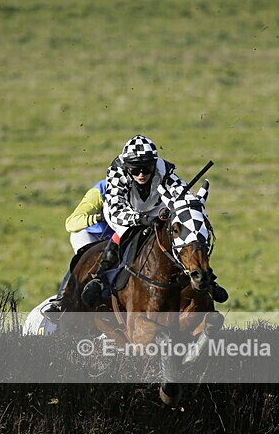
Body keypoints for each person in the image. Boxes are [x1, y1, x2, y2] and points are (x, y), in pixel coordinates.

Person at [80, 135, 228, 308]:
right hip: (124, 212)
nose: (141, 174)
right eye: (135, 170)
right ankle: (100, 277)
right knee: (125, 231)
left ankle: (207, 277)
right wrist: (140, 219)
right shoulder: (116, 172)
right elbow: (116, 208)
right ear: (127, 167)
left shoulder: (163, 170)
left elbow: (183, 194)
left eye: (146, 169)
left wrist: (189, 205)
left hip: (154, 209)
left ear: (154, 164)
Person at [41, 180, 113, 319]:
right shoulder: (102, 189)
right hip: (91, 235)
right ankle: (61, 302)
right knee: (86, 262)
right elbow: (71, 223)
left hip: (117, 238)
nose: (140, 174)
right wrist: (100, 217)